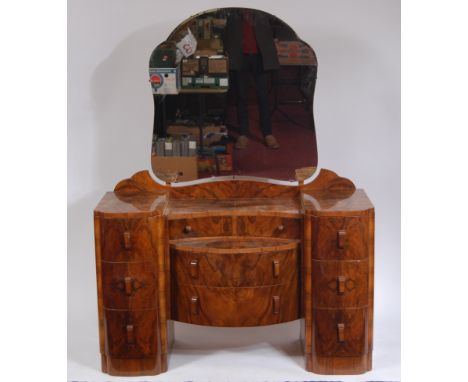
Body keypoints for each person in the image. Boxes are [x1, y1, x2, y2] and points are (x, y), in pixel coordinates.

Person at [225, 9, 280, 149]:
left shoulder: (261, 14)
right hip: (240, 58)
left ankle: (268, 133)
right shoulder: (234, 16)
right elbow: (226, 36)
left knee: (263, 97)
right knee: (241, 97)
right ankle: (243, 134)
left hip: (260, 58)